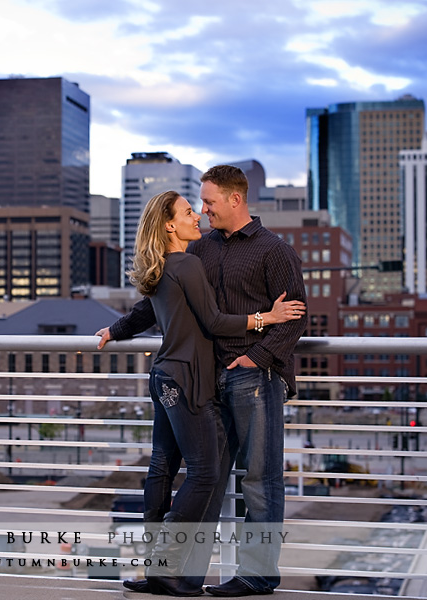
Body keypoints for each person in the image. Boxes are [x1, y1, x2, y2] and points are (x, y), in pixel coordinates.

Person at [97, 166, 307, 597]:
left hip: (255, 377)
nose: (204, 209)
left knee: (260, 481)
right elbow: (158, 300)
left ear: (235, 199)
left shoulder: (275, 251)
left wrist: (256, 356)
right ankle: (180, 575)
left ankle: (257, 575)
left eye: (209, 202)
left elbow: (295, 319)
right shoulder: (201, 250)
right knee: (207, 479)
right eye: (199, 204)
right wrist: (116, 329)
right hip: (206, 381)